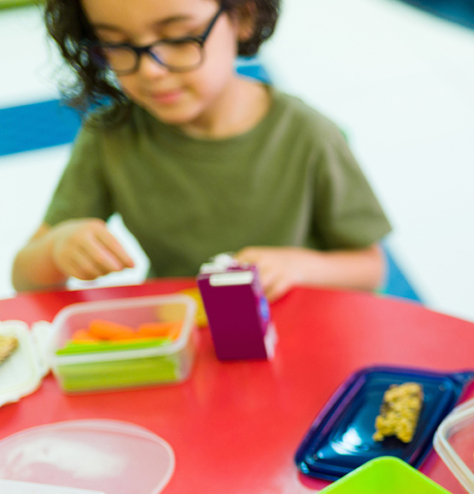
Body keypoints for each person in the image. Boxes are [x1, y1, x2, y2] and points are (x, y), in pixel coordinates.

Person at [13, 0, 391, 302]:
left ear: (243, 14)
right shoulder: (109, 137)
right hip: (182, 348)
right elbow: (25, 279)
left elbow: (370, 267)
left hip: (294, 335)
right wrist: (56, 250)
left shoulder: (309, 135)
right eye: (115, 44)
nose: (150, 71)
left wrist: (297, 267)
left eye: (178, 37)